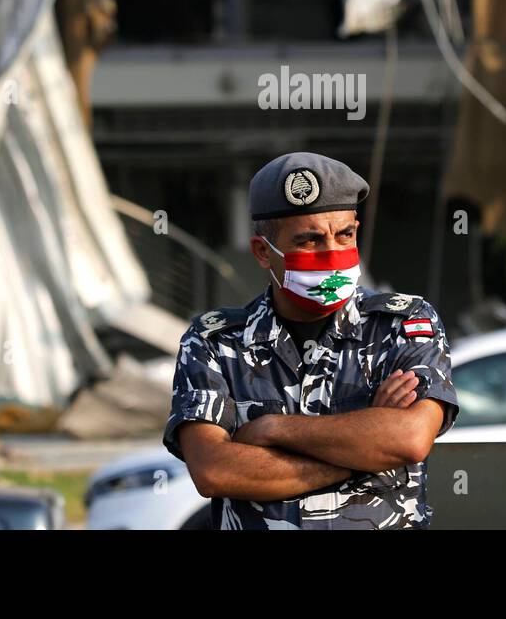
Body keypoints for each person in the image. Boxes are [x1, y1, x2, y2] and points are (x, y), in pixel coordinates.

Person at [163, 151, 459, 529]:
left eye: (345, 234)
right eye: (310, 240)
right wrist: (367, 448)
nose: (332, 253)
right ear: (262, 253)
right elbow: (216, 472)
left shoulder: (402, 324)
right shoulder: (215, 342)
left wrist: (272, 429)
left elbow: (410, 440)